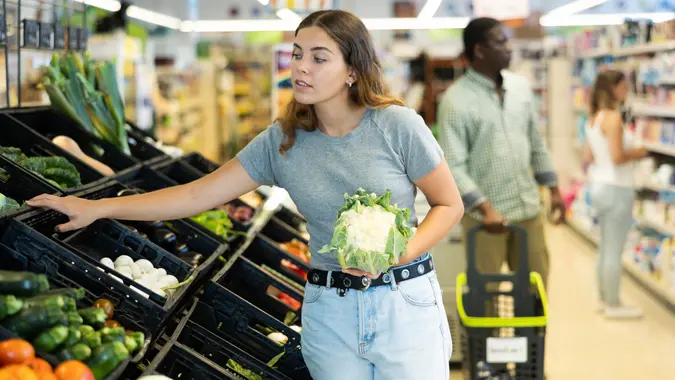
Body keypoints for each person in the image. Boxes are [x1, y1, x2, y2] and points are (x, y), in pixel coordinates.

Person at [27, 10, 464, 380]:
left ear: (352, 70)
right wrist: (97, 207)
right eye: (297, 54)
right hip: (331, 309)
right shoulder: (283, 142)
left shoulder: (396, 126)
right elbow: (196, 195)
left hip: (402, 303)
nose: (301, 68)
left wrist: (402, 252)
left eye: (318, 57)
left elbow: (449, 204)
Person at [437, 17, 565, 291]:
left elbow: (535, 143)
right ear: (480, 50)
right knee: (487, 301)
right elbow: (452, 166)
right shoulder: (455, 101)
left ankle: (532, 336)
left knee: (535, 293)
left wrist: (553, 189)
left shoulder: (520, 89)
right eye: (501, 41)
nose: (509, 47)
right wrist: (486, 208)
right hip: (485, 222)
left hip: (528, 211)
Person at [583, 70, 647, 319]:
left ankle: (604, 299)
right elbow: (618, 156)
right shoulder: (613, 118)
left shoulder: (595, 117)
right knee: (614, 249)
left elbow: (588, 157)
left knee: (605, 247)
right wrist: (641, 152)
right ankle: (614, 303)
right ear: (614, 88)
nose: (627, 90)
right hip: (617, 188)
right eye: (624, 85)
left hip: (600, 185)